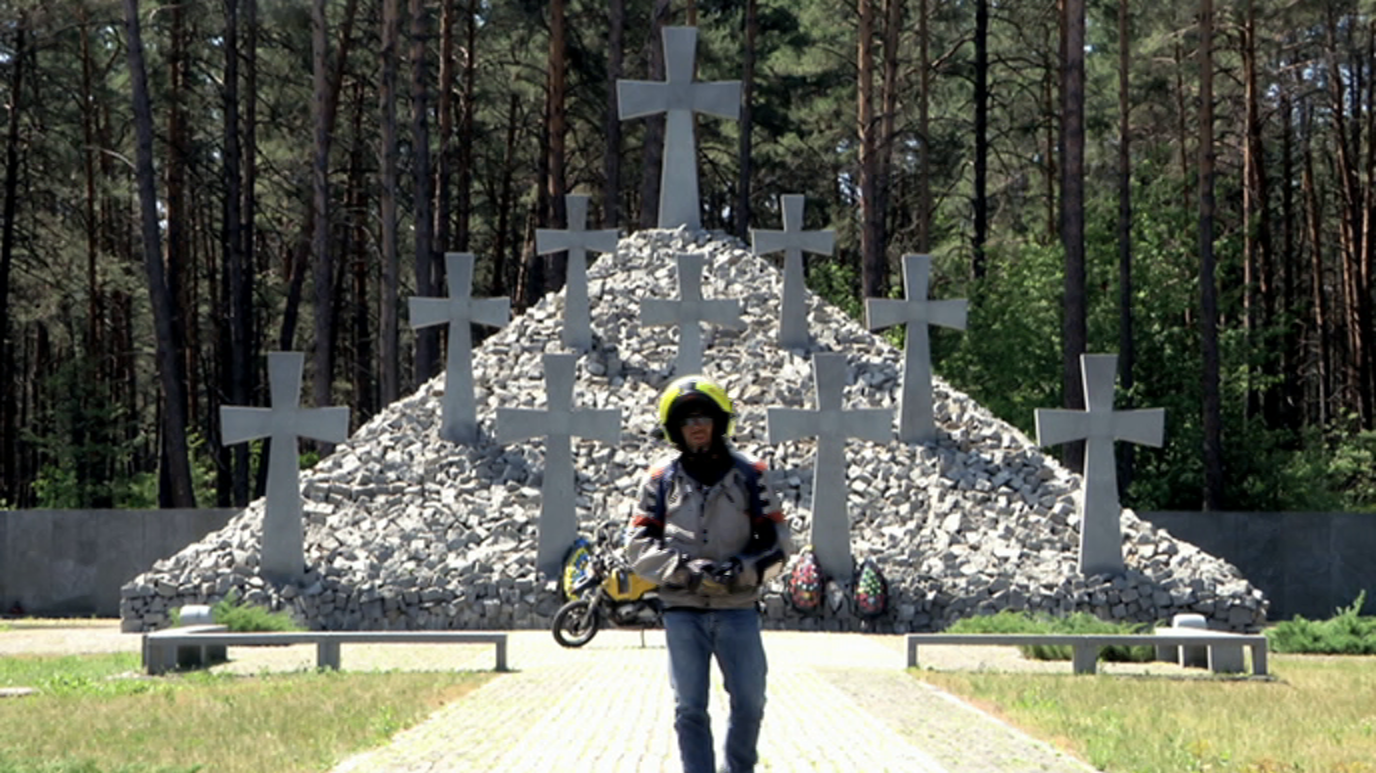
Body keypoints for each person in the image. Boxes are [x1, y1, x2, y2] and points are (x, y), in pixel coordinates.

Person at [626, 375, 791, 773]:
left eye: (703, 416)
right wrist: (684, 571)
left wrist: (742, 570)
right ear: (675, 429)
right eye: (686, 420)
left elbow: (779, 543)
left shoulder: (752, 473)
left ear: (720, 421)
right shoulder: (659, 478)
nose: (696, 425)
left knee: (750, 701)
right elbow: (636, 546)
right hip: (682, 608)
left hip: (738, 606)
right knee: (689, 708)